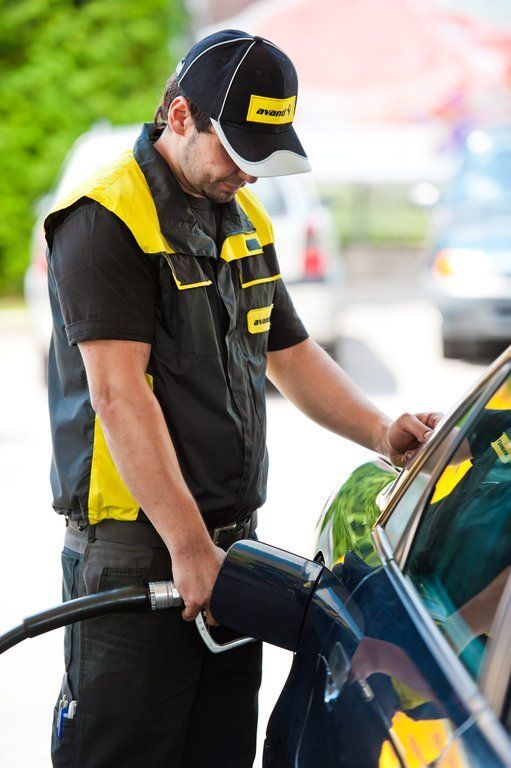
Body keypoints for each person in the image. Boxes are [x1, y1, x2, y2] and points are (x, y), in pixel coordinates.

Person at [44, 29, 441, 768]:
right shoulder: (107, 221)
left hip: (228, 551)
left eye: (264, 154)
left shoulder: (243, 220)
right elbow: (118, 395)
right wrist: (188, 547)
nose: (250, 173)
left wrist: (381, 431)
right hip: (138, 551)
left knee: (220, 750)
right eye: (237, 150)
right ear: (181, 116)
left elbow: (289, 354)